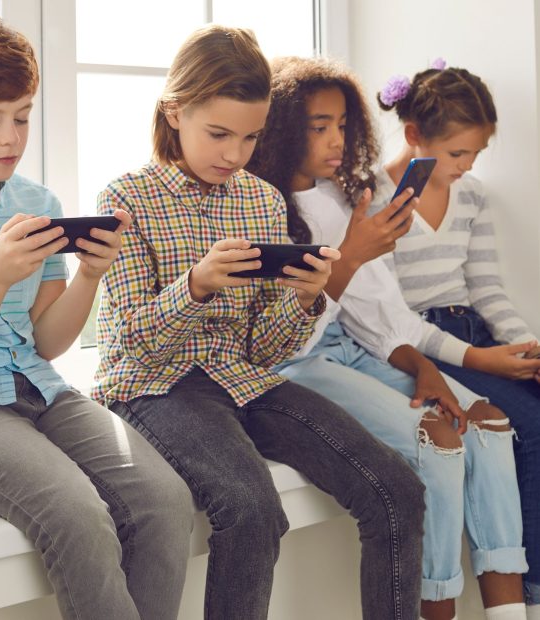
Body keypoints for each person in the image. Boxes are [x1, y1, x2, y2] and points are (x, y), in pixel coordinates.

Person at [94, 26, 426, 620]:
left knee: (398, 491)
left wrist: (305, 301)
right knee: (251, 509)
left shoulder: (262, 201)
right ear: (175, 112)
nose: (233, 154)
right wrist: (194, 288)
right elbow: (129, 347)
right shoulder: (126, 198)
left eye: (249, 138)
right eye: (218, 134)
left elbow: (265, 350)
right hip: (156, 386)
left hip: (245, 377)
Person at [0, 10, 195, 620]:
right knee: (80, 518)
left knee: (166, 500)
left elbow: (48, 344)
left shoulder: (40, 204)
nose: (10, 138)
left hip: (44, 392)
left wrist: (90, 274)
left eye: (23, 117)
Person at [247, 55, 526, 620]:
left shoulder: (342, 199)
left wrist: (421, 365)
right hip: (298, 361)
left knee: (489, 424)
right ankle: (437, 608)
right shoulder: (260, 207)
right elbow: (287, 339)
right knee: (437, 441)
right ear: (281, 128)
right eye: (318, 125)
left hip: (358, 348)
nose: (335, 139)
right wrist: (349, 256)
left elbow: (377, 312)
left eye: (343, 125)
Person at [357, 60, 540, 617]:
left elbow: (487, 289)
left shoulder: (473, 198)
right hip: (432, 344)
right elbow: (392, 315)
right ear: (414, 136)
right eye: (457, 154)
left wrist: (528, 349)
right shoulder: (371, 198)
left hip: (475, 332)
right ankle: (531, 596)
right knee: (527, 429)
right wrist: (485, 359)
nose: (466, 167)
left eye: (475, 155)